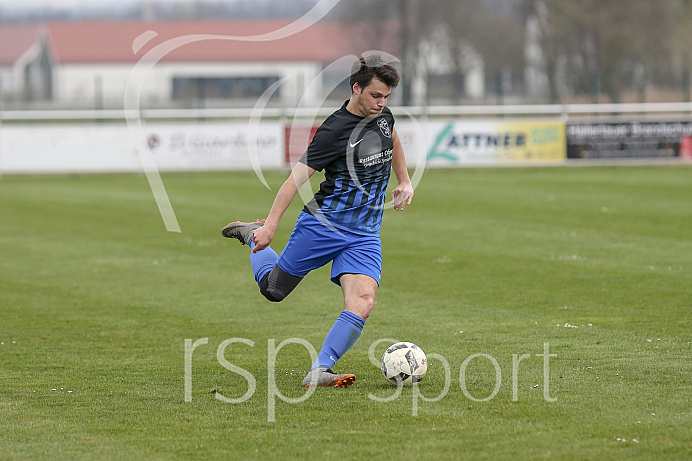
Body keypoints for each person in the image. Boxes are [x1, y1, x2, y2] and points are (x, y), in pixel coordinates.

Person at [222, 54, 414, 388]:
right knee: (274, 290)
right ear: (356, 88)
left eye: (386, 97)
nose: (381, 103)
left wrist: (404, 180)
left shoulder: (384, 117)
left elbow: (392, 139)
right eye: (375, 95)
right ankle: (252, 235)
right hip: (323, 226)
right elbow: (294, 181)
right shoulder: (333, 131)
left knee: (363, 302)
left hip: (365, 233)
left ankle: (319, 370)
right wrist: (269, 225)